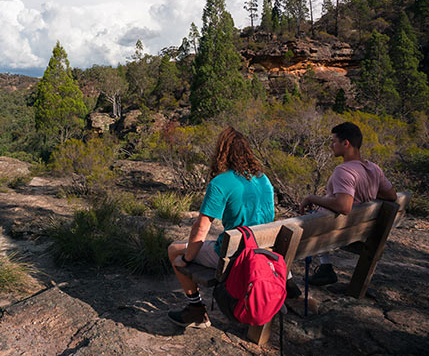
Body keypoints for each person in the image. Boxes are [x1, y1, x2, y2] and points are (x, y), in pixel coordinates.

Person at [167, 126, 274, 328]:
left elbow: (201, 228)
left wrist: (187, 258)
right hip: (264, 251)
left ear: (222, 152)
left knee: (174, 250)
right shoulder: (263, 179)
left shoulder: (221, 183)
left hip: (236, 256)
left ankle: (196, 311)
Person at [299, 121, 397, 286]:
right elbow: (392, 195)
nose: (331, 146)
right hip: (360, 229)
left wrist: (311, 198)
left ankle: (321, 269)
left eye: (334, 142)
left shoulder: (343, 171)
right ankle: (325, 267)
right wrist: (367, 191)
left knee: (296, 231)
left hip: (338, 232)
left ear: (346, 143)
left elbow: (344, 206)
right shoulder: (374, 169)